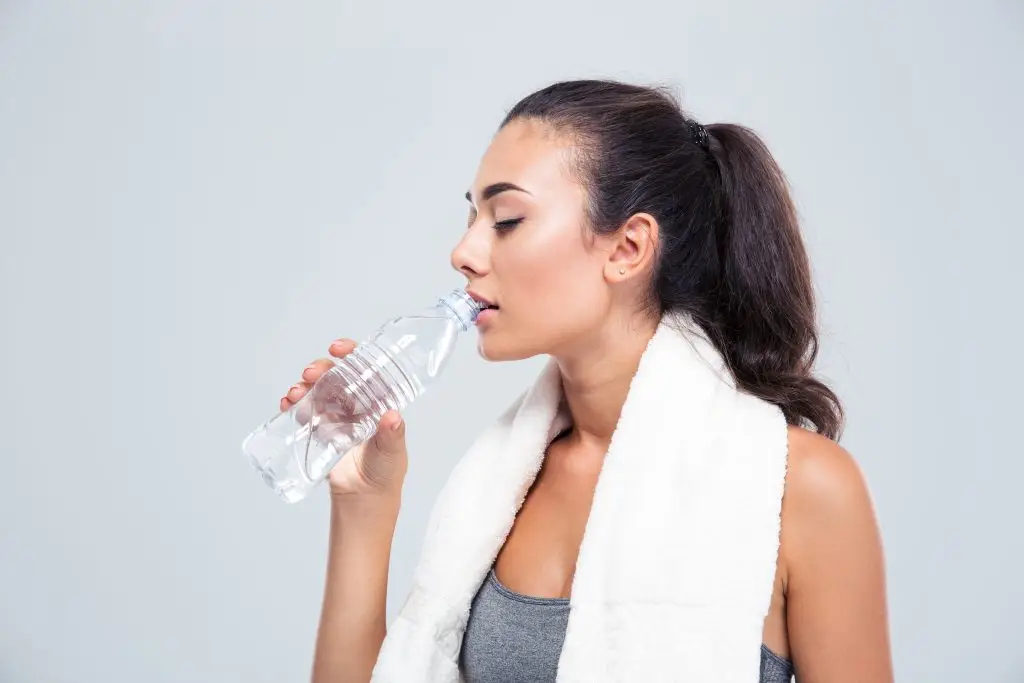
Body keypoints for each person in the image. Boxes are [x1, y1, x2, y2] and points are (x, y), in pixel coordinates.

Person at [287, 79, 893, 682]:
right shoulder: (503, 484)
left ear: (628, 248)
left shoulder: (801, 487)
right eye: (472, 217)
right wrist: (364, 505)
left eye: (507, 219)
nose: (463, 251)